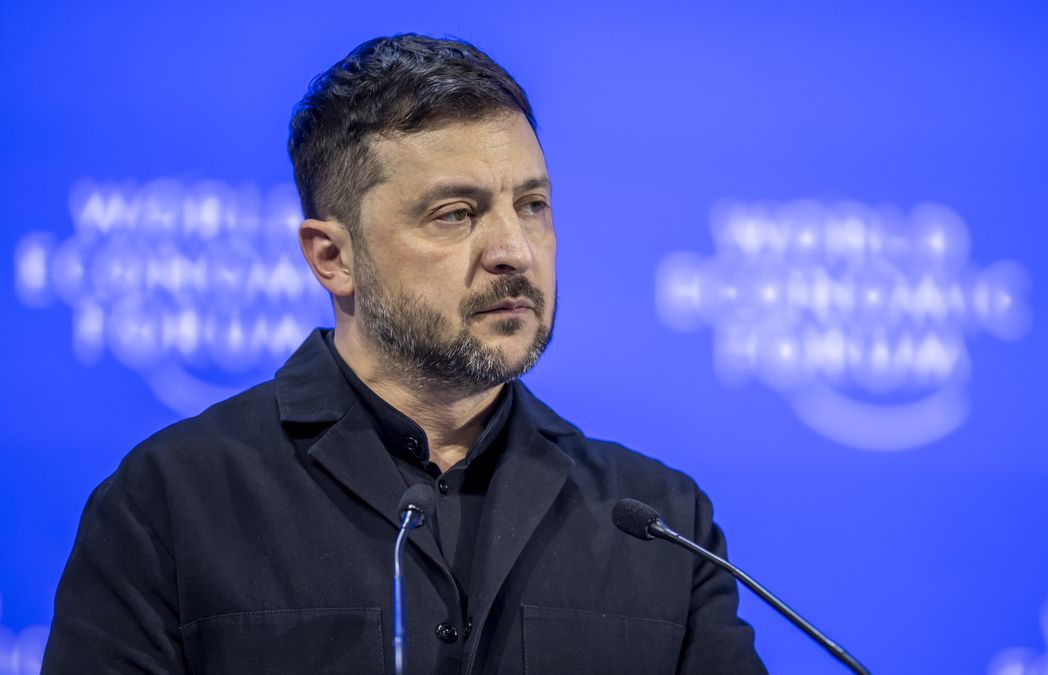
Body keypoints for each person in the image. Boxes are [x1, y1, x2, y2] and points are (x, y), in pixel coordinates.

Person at [42, 34, 766, 674]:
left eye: (532, 205)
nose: (514, 250)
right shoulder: (171, 503)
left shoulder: (662, 524)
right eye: (456, 214)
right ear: (332, 257)